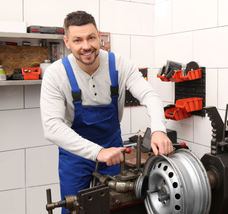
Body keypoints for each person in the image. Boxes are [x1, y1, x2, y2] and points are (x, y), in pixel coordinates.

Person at [40, 11, 173, 213]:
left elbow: (150, 95)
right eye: (78, 40)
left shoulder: (120, 64)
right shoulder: (56, 75)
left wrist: (158, 129)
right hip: (74, 155)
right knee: (75, 207)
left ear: (99, 36)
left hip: (113, 150)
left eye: (91, 37)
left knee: (116, 205)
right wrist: (97, 152)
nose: (86, 46)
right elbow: (52, 127)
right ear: (67, 42)